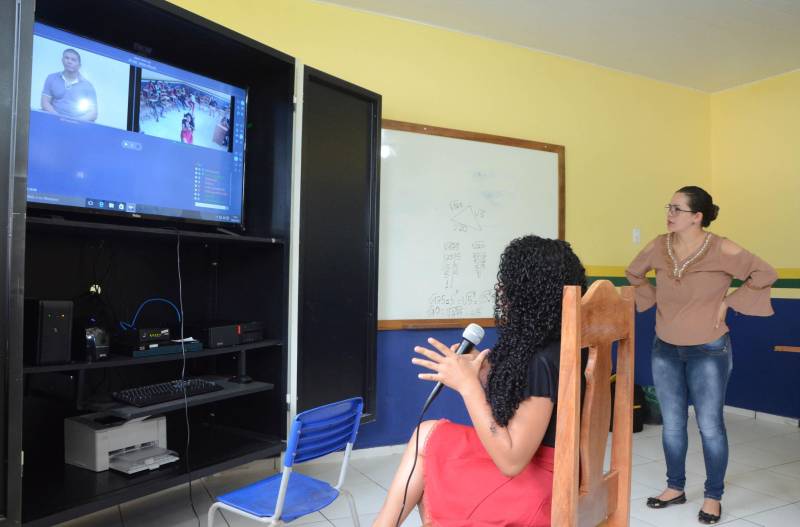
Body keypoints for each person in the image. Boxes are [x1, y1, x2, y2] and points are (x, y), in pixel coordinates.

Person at [373, 235, 587, 527]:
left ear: (529, 292)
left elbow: (511, 461)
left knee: (430, 458)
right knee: (428, 434)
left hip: (539, 487)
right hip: (555, 466)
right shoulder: (562, 344)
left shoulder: (541, 360)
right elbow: (536, 411)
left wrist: (468, 387)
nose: (502, 290)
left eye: (510, 283)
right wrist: (483, 375)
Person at [625, 186, 777, 525]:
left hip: (709, 349)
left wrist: (729, 303)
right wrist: (652, 300)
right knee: (673, 425)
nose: (670, 213)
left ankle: (713, 496)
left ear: (697, 216)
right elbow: (634, 273)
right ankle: (674, 487)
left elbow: (765, 273)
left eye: (677, 209)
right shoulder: (657, 245)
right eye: (669, 207)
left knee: (709, 426)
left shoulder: (721, 247)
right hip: (664, 347)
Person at [41, 48, 97, 121]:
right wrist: (58, 118)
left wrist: (75, 122)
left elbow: (93, 113)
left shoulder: (88, 86)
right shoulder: (51, 78)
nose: (69, 61)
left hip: (77, 126)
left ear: (79, 65)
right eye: (67, 58)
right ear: (62, 60)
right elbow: (44, 102)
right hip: (53, 120)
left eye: (73, 60)